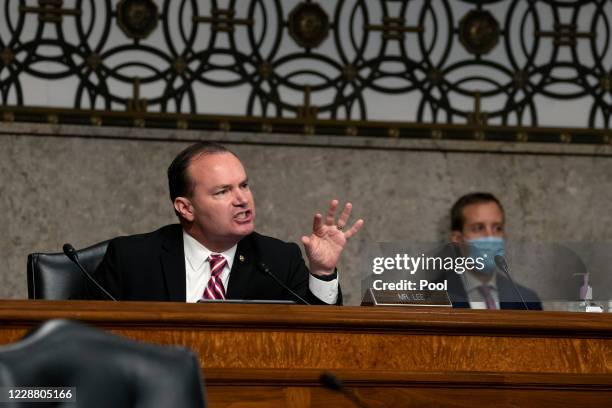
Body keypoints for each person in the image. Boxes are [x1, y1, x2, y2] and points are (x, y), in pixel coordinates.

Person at [91, 142, 363, 305]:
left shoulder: (278, 261)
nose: (243, 199)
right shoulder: (131, 258)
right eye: (222, 191)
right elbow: (79, 335)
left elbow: (319, 336)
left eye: (244, 185)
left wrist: (323, 272)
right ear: (186, 208)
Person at [442, 192, 542, 310]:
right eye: (479, 228)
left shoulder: (527, 299)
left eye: (497, 228)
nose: (490, 237)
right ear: (457, 239)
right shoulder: (431, 297)